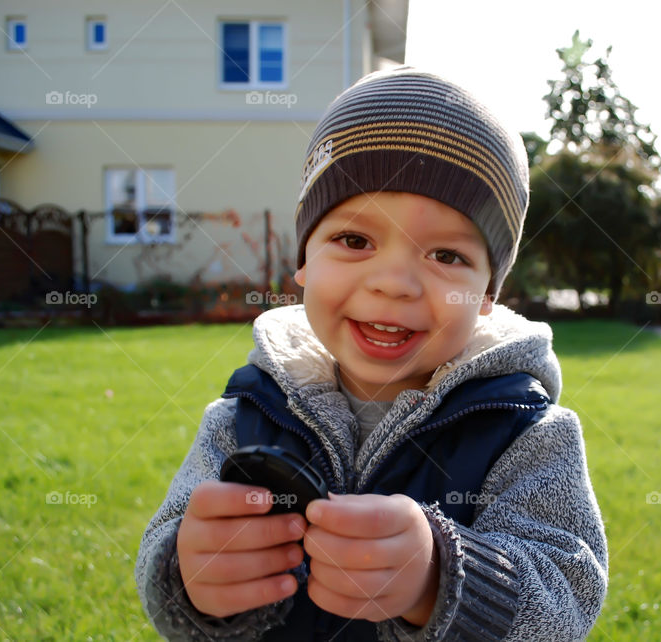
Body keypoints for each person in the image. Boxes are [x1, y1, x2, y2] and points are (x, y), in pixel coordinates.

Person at [135, 66, 608, 641]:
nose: (394, 283)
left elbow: (568, 595)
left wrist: (440, 579)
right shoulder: (240, 417)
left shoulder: (526, 433)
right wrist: (190, 582)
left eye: (445, 254)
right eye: (355, 240)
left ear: (487, 294)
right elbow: (168, 547)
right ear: (304, 260)